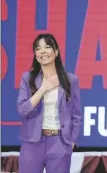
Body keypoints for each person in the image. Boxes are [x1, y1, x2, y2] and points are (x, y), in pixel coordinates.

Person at [17, 33, 82, 173]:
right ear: (35, 54)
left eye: (47, 47)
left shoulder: (71, 80)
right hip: (32, 143)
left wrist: (71, 141)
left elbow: (76, 115)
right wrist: (43, 89)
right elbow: (22, 110)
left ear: (56, 51)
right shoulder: (27, 78)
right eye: (38, 48)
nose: (43, 51)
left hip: (59, 143)